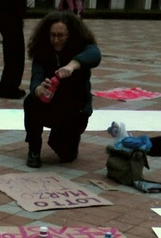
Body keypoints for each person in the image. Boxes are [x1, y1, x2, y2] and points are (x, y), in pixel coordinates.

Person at [23, 11, 102, 168]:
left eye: (61, 35)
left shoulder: (82, 48)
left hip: (75, 109)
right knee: (31, 102)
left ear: (70, 35)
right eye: (52, 35)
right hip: (51, 105)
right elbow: (35, 78)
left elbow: (95, 54)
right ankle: (34, 149)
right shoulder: (42, 50)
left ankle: (67, 141)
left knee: (65, 154)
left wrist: (73, 65)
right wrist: (38, 89)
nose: (56, 40)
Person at [0, 0, 28, 99]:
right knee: (15, 52)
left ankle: (9, 86)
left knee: (13, 51)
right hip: (9, 14)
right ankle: (8, 88)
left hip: (8, 14)